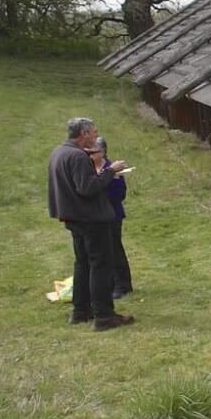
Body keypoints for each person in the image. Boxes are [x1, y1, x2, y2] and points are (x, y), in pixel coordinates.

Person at [47, 117, 134, 332]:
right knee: (100, 266)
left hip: (73, 217)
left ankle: (81, 311)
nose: (96, 136)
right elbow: (87, 187)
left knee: (83, 264)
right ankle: (104, 316)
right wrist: (110, 171)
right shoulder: (77, 157)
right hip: (91, 219)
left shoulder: (59, 152)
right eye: (94, 132)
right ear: (83, 134)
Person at [91, 137, 132, 298]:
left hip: (112, 215)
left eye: (94, 152)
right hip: (93, 216)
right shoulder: (86, 168)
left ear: (103, 152)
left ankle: (122, 284)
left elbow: (119, 193)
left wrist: (99, 194)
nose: (90, 155)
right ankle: (107, 283)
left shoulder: (112, 169)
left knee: (114, 249)